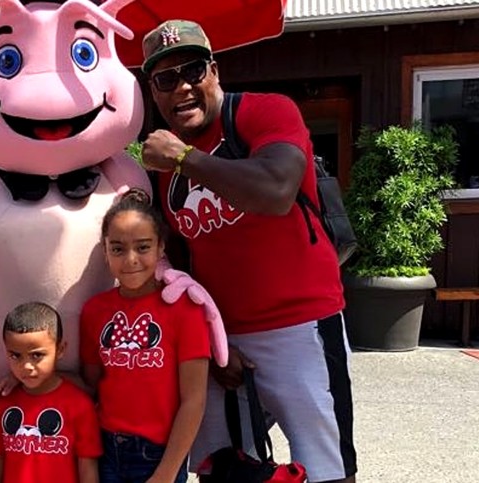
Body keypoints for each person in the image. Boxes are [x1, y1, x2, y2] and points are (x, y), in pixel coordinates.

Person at [139, 19, 357, 483]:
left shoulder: (265, 112)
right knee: (224, 468)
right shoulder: (160, 163)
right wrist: (211, 340)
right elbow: (178, 257)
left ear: (215, 71)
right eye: (165, 79)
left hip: (300, 327)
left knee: (325, 468)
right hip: (226, 339)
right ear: (153, 92)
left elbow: (276, 191)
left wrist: (184, 158)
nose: (182, 88)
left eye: (193, 71)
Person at [80, 188, 210, 483]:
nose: (130, 260)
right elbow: (91, 385)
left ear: (160, 247)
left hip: (158, 454)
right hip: (105, 449)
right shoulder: (94, 310)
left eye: (142, 247)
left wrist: (165, 472)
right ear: (105, 250)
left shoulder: (185, 308)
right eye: (117, 248)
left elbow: (194, 400)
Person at [0, 302, 102, 483]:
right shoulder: (0, 402)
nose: (26, 366)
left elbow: (87, 466)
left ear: (60, 350)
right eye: (15, 355)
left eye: (37, 355)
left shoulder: (79, 405)